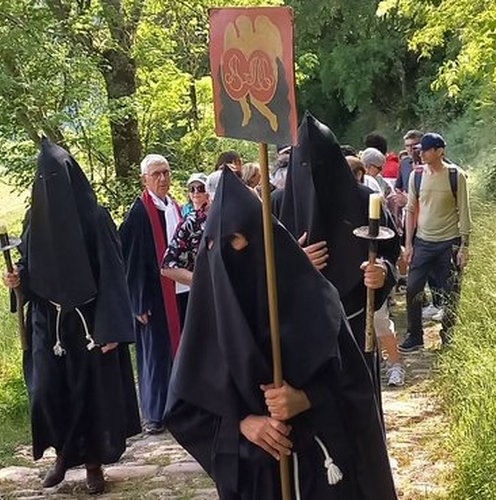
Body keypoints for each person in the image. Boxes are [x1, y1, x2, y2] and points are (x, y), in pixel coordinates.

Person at [163, 168, 397, 499]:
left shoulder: (317, 302)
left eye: (239, 243)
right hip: (255, 480)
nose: (228, 260)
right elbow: (184, 410)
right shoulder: (210, 317)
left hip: (319, 472)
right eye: (216, 247)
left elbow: (356, 390)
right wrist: (241, 425)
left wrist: (307, 398)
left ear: (266, 243)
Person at [3, 139, 141, 494]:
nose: (49, 187)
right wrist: (18, 279)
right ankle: (62, 454)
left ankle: (93, 464)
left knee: (89, 395)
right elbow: (30, 265)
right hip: (47, 323)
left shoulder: (96, 218)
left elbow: (113, 272)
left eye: (55, 178)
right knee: (47, 391)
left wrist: (112, 327)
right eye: (43, 180)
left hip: (89, 322)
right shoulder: (34, 219)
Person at [275, 114, 402, 393]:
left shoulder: (365, 201)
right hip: (300, 328)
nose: (313, 176)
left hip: (355, 321)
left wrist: (381, 271)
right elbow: (260, 268)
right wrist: (296, 264)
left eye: (321, 165)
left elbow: (391, 252)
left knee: (358, 402)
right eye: (305, 166)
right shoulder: (276, 206)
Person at [118, 154, 186, 435]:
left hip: (179, 290)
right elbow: (130, 260)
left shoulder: (175, 207)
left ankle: (182, 404)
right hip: (153, 295)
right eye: (156, 174)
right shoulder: (139, 213)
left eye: (166, 172)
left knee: (181, 349)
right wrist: (137, 301)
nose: (162, 178)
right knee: (155, 355)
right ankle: (156, 413)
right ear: (144, 179)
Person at [399, 133, 472, 352]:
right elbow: (410, 209)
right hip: (423, 241)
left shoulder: (455, 176)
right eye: (420, 150)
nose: (420, 153)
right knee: (413, 288)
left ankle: (448, 334)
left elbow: (464, 211)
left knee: (450, 291)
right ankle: (414, 336)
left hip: (449, 242)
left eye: (425, 150)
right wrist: (408, 244)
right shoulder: (417, 175)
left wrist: (464, 246)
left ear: (439, 151)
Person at [355, 147, 405, 386]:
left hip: (372, 269)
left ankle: (395, 364)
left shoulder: (370, 191)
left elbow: (386, 234)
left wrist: (382, 264)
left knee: (380, 321)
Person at [160, 173, 210, 294]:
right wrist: (203, 282)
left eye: (201, 188)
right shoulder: (189, 221)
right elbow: (167, 266)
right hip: (202, 292)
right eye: (192, 189)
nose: (196, 192)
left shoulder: (227, 218)